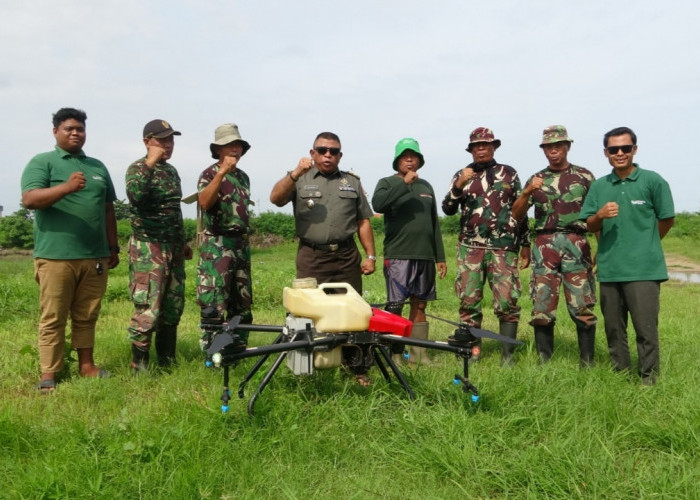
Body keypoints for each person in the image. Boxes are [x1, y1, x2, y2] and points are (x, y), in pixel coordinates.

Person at [20, 107, 119, 392]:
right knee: (53, 316)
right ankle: (49, 372)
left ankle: (87, 366)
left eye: (80, 129)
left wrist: (112, 246)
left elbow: (108, 209)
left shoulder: (97, 167)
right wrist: (65, 187)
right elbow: (30, 199)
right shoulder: (43, 162)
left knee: (87, 314)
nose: (76, 133)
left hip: (95, 256)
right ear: (55, 132)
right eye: (69, 128)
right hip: (56, 256)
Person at [269, 131, 376, 384]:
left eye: (334, 151)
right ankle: (306, 368)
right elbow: (275, 199)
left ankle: (355, 369)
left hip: (346, 256)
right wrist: (294, 172)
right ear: (312, 153)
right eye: (323, 150)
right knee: (307, 313)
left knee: (353, 312)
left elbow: (363, 221)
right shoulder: (300, 178)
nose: (328, 155)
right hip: (312, 256)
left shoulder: (351, 182)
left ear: (340, 155)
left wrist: (370, 255)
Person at [580, 126, 674, 385]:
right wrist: (599, 215)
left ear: (634, 149)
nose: (619, 153)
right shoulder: (599, 186)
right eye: (613, 149)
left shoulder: (653, 181)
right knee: (614, 329)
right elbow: (589, 225)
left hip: (644, 270)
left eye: (625, 148)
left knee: (645, 330)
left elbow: (667, 219)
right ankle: (620, 376)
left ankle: (648, 380)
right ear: (606, 153)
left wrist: (646, 243)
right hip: (610, 269)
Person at [442, 127, 530, 365]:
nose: (481, 149)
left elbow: (520, 210)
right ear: (471, 150)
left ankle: (507, 356)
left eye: (486, 145)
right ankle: (472, 353)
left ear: (494, 147)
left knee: (507, 302)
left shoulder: (509, 173)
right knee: (469, 301)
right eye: (476, 146)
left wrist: (526, 244)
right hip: (471, 248)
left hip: (504, 248)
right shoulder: (462, 173)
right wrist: (458, 185)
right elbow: (447, 209)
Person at [511, 125, 597, 366]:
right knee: (542, 305)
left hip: (576, 243)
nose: (553, 150)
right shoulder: (536, 179)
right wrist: (527, 191)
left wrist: (600, 248)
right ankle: (543, 362)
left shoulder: (585, 177)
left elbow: (596, 217)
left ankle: (587, 364)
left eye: (558, 145)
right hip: (544, 244)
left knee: (582, 305)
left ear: (567, 146)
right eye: (548, 147)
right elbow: (517, 215)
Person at [371, 138, 447, 365]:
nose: (410, 160)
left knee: (420, 303)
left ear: (420, 161)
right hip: (398, 254)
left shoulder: (427, 187)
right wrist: (404, 183)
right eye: (405, 156)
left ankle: (419, 355)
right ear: (397, 161)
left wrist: (440, 257)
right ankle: (394, 355)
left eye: (414, 156)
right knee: (396, 305)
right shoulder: (386, 182)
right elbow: (378, 204)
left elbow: (434, 223)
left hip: (424, 255)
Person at [125, 119, 192, 372]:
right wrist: (150, 162)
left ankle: (167, 361)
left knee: (172, 306)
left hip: (172, 247)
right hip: (148, 248)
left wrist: (182, 241)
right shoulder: (137, 168)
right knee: (147, 307)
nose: (168, 145)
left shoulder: (172, 171)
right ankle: (139, 366)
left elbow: (174, 210)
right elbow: (136, 196)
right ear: (147, 142)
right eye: (162, 140)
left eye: (171, 140)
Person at [196, 123, 253, 350]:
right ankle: (214, 350)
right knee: (215, 300)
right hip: (217, 245)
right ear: (218, 149)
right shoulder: (209, 174)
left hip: (240, 245)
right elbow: (204, 202)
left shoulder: (243, 178)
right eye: (229, 145)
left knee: (242, 300)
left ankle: (237, 348)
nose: (234, 150)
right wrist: (221, 173)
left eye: (237, 145)